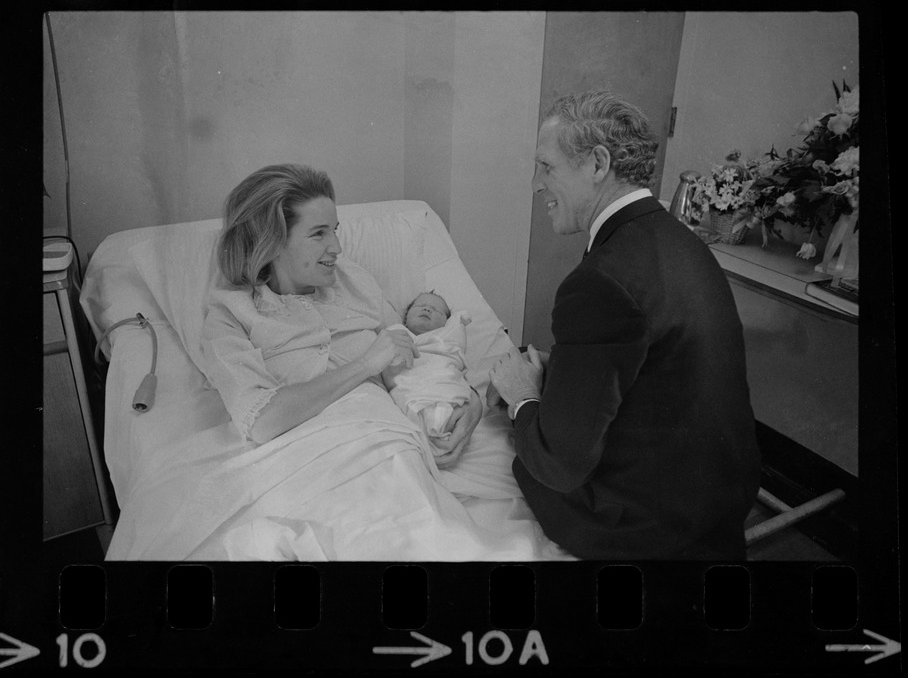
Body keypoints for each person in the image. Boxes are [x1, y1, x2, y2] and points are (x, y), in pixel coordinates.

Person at [488, 90, 762, 560]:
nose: (535, 184)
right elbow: (656, 362)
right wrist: (564, 369)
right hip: (719, 502)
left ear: (598, 163)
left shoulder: (601, 279)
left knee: (524, 461)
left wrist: (523, 398)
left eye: (547, 167)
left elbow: (560, 466)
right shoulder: (680, 241)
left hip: (649, 529)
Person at [200, 163, 482, 468]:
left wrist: (472, 405)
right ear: (272, 241)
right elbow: (261, 422)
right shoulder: (230, 315)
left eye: (334, 230)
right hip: (306, 462)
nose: (337, 247)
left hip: (389, 448)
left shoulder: (353, 281)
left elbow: (415, 351)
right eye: (318, 234)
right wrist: (366, 365)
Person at [381, 291, 474, 456]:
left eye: (436, 310)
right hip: (410, 389)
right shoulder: (396, 332)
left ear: (446, 322)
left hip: (442, 384)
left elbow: (455, 364)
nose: (427, 309)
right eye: (420, 306)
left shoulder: (448, 340)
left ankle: (438, 424)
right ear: (406, 316)